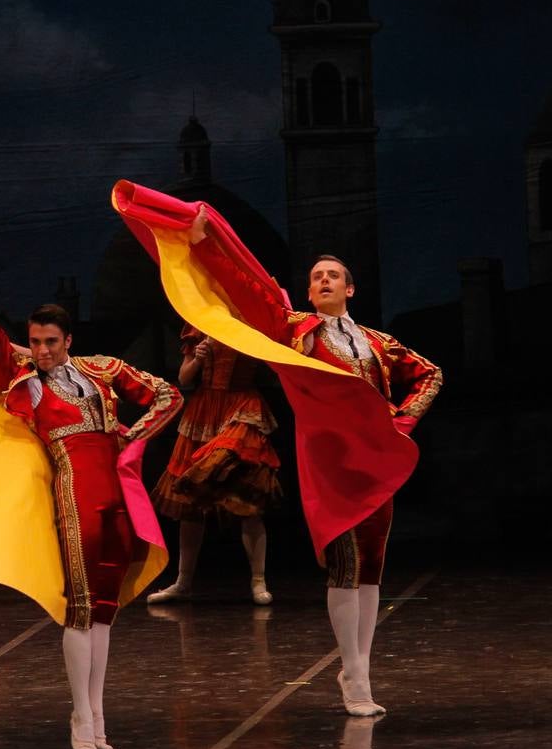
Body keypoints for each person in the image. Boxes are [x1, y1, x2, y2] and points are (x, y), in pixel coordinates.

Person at [0, 241, 181, 749]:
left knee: (105, 611)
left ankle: (98, 717)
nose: (40, 350)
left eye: (49, 342)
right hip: (73, 497)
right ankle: (79, 718)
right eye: (34, 341)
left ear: (68, 340)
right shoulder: (25, 383)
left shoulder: (103, 370)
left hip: (117, 499)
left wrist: (134, 437)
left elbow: (169, 394)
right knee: (80, 609)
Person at [186, 207, 441, 716]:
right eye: (316, 277)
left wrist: (400, 423)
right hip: (330, 458)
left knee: (372, 566)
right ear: (308, 293)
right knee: (344, 566)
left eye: (333, 276)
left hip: (373, 458)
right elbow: (247, 289)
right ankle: (356, 678)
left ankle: (358, 669)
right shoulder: (296, 330)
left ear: (351, 290)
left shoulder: (376, 342)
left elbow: (431, 373)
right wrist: (202, 245)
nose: (323, 281)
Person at [148, 325, 281, 605]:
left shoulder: (249, 322)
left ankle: (258, 580)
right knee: (190, 499)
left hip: (242, 405)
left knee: (247, 494)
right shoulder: (200, 324)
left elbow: (276, 365)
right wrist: (197, 358)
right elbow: (184, 377)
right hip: (205, 408)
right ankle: (183, 582)